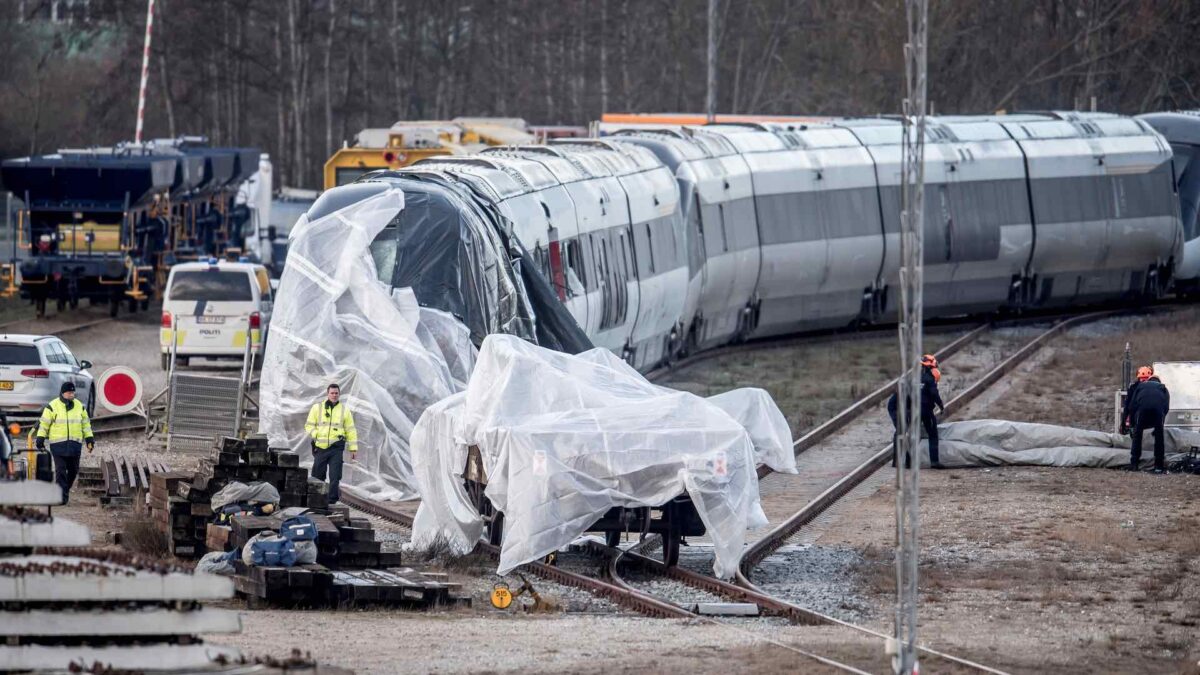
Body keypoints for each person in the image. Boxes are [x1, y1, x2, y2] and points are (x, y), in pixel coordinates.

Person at [34, 382, 94, 505]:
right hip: (58, 445)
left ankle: (63, 490)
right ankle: (61, 497)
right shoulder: (52, 406)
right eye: (69, 392)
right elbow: (44, 424)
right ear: (62, 393)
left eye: (73, 392)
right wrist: (40, 437)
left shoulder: (80, 406)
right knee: (61, 471)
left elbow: (86, 425)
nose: (72, 395)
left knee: (73, 471)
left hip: (75, 445)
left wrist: (89, 439)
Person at [888, 354, 946, 469]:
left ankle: (906, 462)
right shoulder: (929, 378)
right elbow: (934, 394)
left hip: (912, 411)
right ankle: (934, 461)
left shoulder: (913, 378)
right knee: (932, 435)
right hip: (919, 411)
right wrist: (941, 406)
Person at [304, 383, 358, 503]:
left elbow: (351, 430)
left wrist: (353, 449)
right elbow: (308, 425)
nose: (334, 395)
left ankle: (332, 501)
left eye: (336, 393)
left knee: (335, 476)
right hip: (320, 447)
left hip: (336, 448)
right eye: (332, 393)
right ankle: (317, 499)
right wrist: (316, 434)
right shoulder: (317, 408)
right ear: (327, 394)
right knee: (318, 475)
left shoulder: (345, 411)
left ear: (339, 394)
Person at [1122, 365, 1170, 473]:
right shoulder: (1163, 388)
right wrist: (1160, 424)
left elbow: (1132, 406)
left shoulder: (1140, 387)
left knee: (1137, 436)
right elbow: (1166, 407)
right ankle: (1158, 466)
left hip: (1142, 410)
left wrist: (1133, 425)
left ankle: (1134, 464)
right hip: (1158, 412)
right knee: (1159, 438)